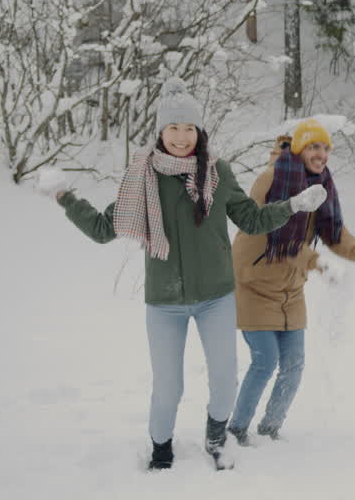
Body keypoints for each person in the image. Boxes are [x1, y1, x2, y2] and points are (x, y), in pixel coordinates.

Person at [48, 79, 328, 471]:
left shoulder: (218, 172)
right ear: (161, 132)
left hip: (216, 296)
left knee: (225, 380)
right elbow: (101, 229)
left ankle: (217, 439)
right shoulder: (143, 178)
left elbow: (250, 218)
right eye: (174, 128)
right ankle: (161, 449)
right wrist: (65, 198)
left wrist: (294, 205)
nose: (182, 137)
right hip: (164, 302)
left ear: (200, 132)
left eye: (189, 129)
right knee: (168, 389)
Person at [227, 119, 355, 445]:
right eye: (315, 146)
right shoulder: (271, 179)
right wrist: (317, 263)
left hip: (290, 289)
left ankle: (270, 431)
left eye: (326, 148)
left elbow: (334, 231)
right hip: (254, 284)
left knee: (294, 364)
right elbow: (277, 234)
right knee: (265, 360)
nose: (322, 153)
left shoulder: (322, 184)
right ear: (300, 148)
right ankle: (236, 431)